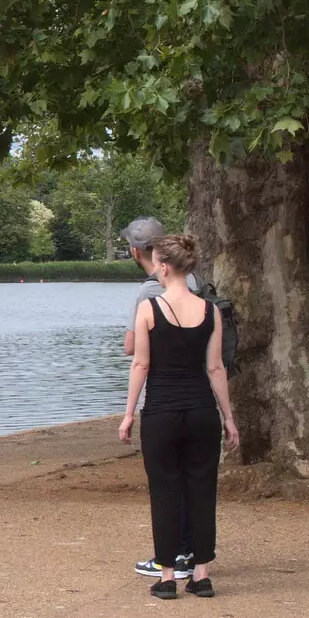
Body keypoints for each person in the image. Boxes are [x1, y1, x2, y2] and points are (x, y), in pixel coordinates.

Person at [118, 234, 239, 600]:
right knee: (202, 490)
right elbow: (216, 368)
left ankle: (167, 576)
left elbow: (141, 363)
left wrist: (128, 415)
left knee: (165, 491)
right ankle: (201, 574)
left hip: (161, 413)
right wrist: (229, 419)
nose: (154, 268)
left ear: (165, 268)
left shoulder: (148, 310)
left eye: (156, 263)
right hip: (202, 411)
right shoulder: (210, 311)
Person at [120, 217, 198, 581]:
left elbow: (133, 349)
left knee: (166, 481)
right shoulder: (193, 282)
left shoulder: (147, 294)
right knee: (191, 478)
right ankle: (193, 552)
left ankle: (174, 557)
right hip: (198, 394)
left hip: (164, 396)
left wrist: (128, 413)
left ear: (136, 250)